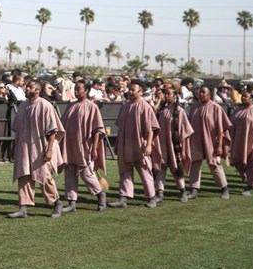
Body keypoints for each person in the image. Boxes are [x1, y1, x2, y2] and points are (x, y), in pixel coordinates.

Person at [7, 79, 65, 218]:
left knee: (44, 177)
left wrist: (49, 150)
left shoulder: (45, 106)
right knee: (24, 176)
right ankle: (23, 208)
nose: (27, 88)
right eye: (27, 86)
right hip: (24, 148)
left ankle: (56, 203)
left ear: (38, 90)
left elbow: (52, 130)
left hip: (40, 148)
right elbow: (17, 129)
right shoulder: (23, 106)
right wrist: (15, 147)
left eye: (30, 87)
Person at [108, 81, 160, 209]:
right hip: (125, 144)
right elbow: (120, 128)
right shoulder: (124, 107)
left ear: (140, 92)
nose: (130, 92)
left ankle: (151, 197)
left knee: (144, 170)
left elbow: (151, 129)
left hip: (140, 144)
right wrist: (118, 144)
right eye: (129, 90)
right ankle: (123, 198)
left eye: (133, 90)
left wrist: (148, 145)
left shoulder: (145, 106)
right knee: (124, 170)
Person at [59, 79, 108, 212]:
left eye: (79, 89)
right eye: (75, 89)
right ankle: (72, 203)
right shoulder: (70, 106)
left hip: (85, 147)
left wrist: (95, 148)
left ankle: (100, 194)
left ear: (86, 90)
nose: (76, 91)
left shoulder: (92, 107)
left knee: (87, 174)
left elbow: (97, 129)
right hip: (70, 146)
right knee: (69, 173)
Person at [187, 87, 231, 200]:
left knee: (214, 164)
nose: (201, 94)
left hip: (211, 141)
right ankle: (194, 189)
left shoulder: (216, 107)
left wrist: (220, 146)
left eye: (204, 92)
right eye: (200, 92)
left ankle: (224, 189)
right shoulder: (195, 107)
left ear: (209, 94)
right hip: (196, 140)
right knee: (195, 163)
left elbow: (221, 129)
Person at [154, 83, 193, 203]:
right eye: (165, 94)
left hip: (174, 145)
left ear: (175, 96)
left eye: (168, 94)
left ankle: (183, 191)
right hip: (162, 144)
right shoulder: (162, 110)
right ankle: (160, 193)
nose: (166, 96)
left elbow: (185, 130)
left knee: (176, 168)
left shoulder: (180, 111)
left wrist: (183, 148)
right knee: (160, 168)